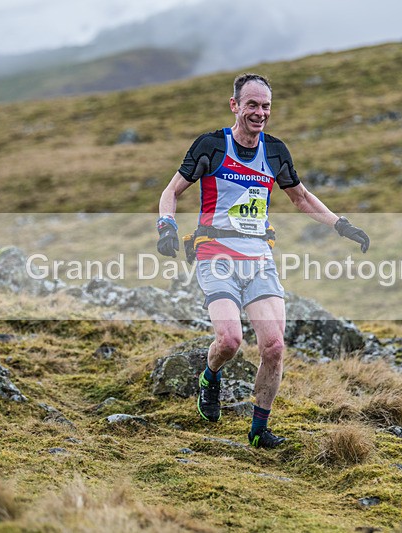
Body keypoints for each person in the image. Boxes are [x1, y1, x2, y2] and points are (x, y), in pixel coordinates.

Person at [157, 73, 370, 449]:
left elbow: (301, 198)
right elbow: (172, 191)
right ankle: (210, 377)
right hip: (216, 255)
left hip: (259, 259)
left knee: (273, 346)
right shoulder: (210, 146)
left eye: (266, 106)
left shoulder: (274, 152)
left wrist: (342, 225)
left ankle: (258, 430)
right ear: (235, 105)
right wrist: (166, 227)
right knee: (230, 340)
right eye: (252, 104)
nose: (260, 113)